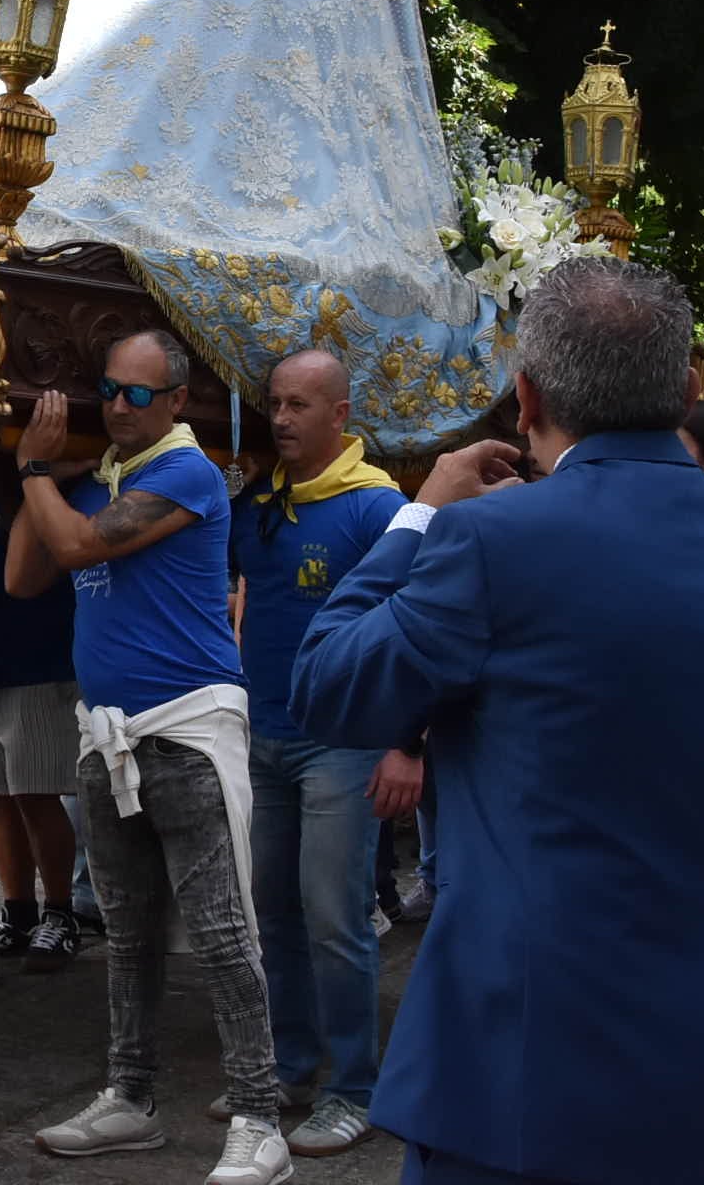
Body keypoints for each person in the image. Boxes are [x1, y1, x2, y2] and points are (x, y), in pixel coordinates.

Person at [290, 257, 704, 1185]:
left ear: (526, 396)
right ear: (684, 390)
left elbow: (327, 685)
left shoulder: (484, 542)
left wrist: (420, 517)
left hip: (529, 1054)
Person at [14, 330, 290, 1185]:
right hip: (110, 733)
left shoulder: (188, 473)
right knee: (127, 936)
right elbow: (23, 579)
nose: (119, 406)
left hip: (185, 732)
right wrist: (41, 474)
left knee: (219, 934)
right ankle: (130, 1099)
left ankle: (260, 1120)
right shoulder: (104, 482)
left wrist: (32, 474)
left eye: (139, 393)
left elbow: (74, 550)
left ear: (176, 401)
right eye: (109, 389)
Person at [228, 348, 407, 1158]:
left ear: (342, 416)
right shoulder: (259, 502)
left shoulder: (377, 509)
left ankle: (353, 1089)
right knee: (273, 914)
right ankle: (289, 1069)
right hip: (263, 735)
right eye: (275, 403)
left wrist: (407, 742)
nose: (283, 418)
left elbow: (415, 631)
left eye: (301, 406)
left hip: (343, 744)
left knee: (336, 919)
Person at [0, 473, 84, 979]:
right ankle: (18, 908)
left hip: (38, 660)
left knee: (36, 794)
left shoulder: (48, 488)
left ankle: (60, 912)